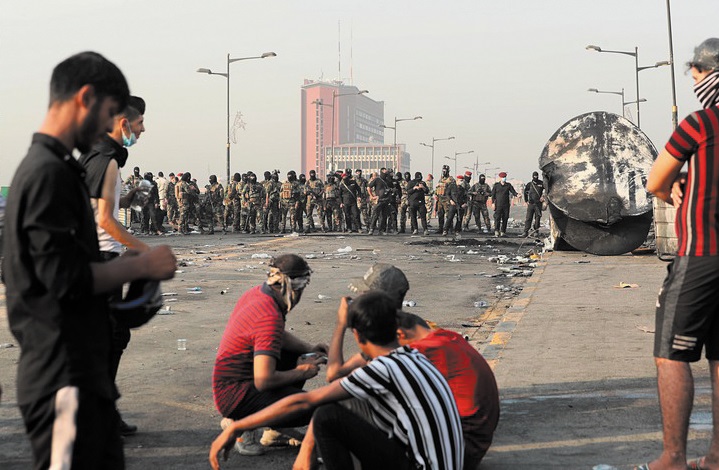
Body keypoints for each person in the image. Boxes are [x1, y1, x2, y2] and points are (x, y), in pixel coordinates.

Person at [2, 51, 177, 469]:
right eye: (108, 113)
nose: (109, 126)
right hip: (62, 375)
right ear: (86, 98)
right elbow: (62, 279)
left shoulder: (62, 167)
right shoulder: (47, 174)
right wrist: (143, 264)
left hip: (82, 373)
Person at [211, 290, 464, 470]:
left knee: (326, 414)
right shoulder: (411, 355)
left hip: (419, 465)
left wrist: (237, 425)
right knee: (346, 402)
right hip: (443, 461)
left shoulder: (382, 368)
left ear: (357, 334)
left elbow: (308, 399)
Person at [643, 38, 719, 470]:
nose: (695, 84)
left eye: (696, 76)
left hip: (702, 254)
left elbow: (656, 180)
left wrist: (673, 182)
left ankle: (673, 457)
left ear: (709, 75)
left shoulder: (701, 123)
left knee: (671, 353)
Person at [79, 94, 150, 437]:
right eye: (139, 125)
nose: (142, 130)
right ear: (123, 124)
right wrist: (147, 252)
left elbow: (96, 206)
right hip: (103, 259)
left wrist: (129, 198)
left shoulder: (93, 157)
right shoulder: (107, 160)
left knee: (107, 337)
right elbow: (106, 221)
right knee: (111, 337)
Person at [212, 254, 328, 456]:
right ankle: (242, 424)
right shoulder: (269, 315)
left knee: (297, 354)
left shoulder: (259, 294)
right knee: (316, 407)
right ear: (295, 288)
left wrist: (309, 348)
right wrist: (301, 372)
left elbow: (278, 337)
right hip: (235, 395)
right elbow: (264, 380)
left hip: (231, 384)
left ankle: (273, 431)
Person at [396, 311, 500, 469]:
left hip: (460, 452)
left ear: (400, 334)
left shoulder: (423, 349)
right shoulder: (447, 337)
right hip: (473, 444)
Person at [491, 171, 517, 237]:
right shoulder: (496, 186)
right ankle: (496, 231)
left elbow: (513, 192)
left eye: (505, 177)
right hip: (498, 204)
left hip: (506, 205)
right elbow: (493, 195)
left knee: (505, 218)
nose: (504, 178)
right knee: (497, 218)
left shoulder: (508, 185)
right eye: (502, 177)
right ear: (500, 178)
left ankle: (503, 231)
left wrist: (517, 195)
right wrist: (493, 203)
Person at [435, 165, 458, 236]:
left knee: (449, 215)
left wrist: (451, 199)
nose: (444, 172)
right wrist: (436, 195)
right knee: (440, 214)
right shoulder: (440, 179)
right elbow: (437, 188)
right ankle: (440, 228)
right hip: (440, 199)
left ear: (448, 171)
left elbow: (453, 190)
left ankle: (450, 229)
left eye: (445, 171)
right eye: (443, 170)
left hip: (447, 199)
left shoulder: (451, 179)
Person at [522, 171, 544, 238]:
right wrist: (526, 201)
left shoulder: (541, 183)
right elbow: (525, 192)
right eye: (534, 176)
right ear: (532, 176)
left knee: (537, 219)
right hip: (531, 204)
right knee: (528, 218)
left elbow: (546, 190)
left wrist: (543, 196)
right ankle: (525, 232)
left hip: (538, 204)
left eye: (536, 176)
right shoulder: (529, 184)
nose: (535, 177)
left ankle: (536, 231)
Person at [407, 171, 430, 235]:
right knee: (413, 217)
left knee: (423, 216)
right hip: (413, 202)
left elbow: (427, 191)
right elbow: (408, 191)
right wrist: (414, 188)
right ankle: (415, 229)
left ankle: (425, 229)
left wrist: (423, 187)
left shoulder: (423, 183)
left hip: (421, 202)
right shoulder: (411, 183)